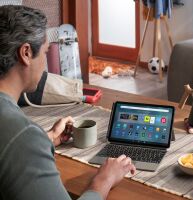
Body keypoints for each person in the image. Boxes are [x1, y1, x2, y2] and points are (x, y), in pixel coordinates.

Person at [0, 5, 135, 200]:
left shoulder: (20, 137)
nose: (45, 62)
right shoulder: (23, 135)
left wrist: (48, 138)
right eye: (46, 53)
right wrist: (104, 179)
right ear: (26, 53)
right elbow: (16, 142)